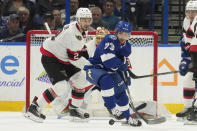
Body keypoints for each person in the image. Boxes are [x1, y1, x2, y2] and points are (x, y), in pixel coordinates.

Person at [24, 8, 94, 123]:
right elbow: (75, 60)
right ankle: (34, 107)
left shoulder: (79, 28)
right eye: (83, 20)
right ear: (77, 20)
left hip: (64, 57)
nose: (86, 23)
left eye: (88, 20)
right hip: (52, 58)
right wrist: (90, 66)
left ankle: (74, 109)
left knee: (81, 78)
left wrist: (89, 62)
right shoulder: (74, 34)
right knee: (61, 87)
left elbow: (80, 49)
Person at [84, 21, 142, 126]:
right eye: (121, 33)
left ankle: (128, 117)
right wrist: (123, 64)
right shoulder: (109, 39)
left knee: (122, 93)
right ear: (116, 33)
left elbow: (122, 62)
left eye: (126, 34)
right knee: (106, 79)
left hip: (110, 72)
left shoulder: (126, 45)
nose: (123, 37)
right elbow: (109, 62)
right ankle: (112, 108)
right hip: (94, 69)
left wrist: (125, 76)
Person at [176, 0, 197, 122]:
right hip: (195, 60)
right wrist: (185, 63)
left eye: (194, 11)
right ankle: (189, 108)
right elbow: (186, 51)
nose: (191, 14)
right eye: (189, 11)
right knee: (188, 80)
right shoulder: (186, 27)